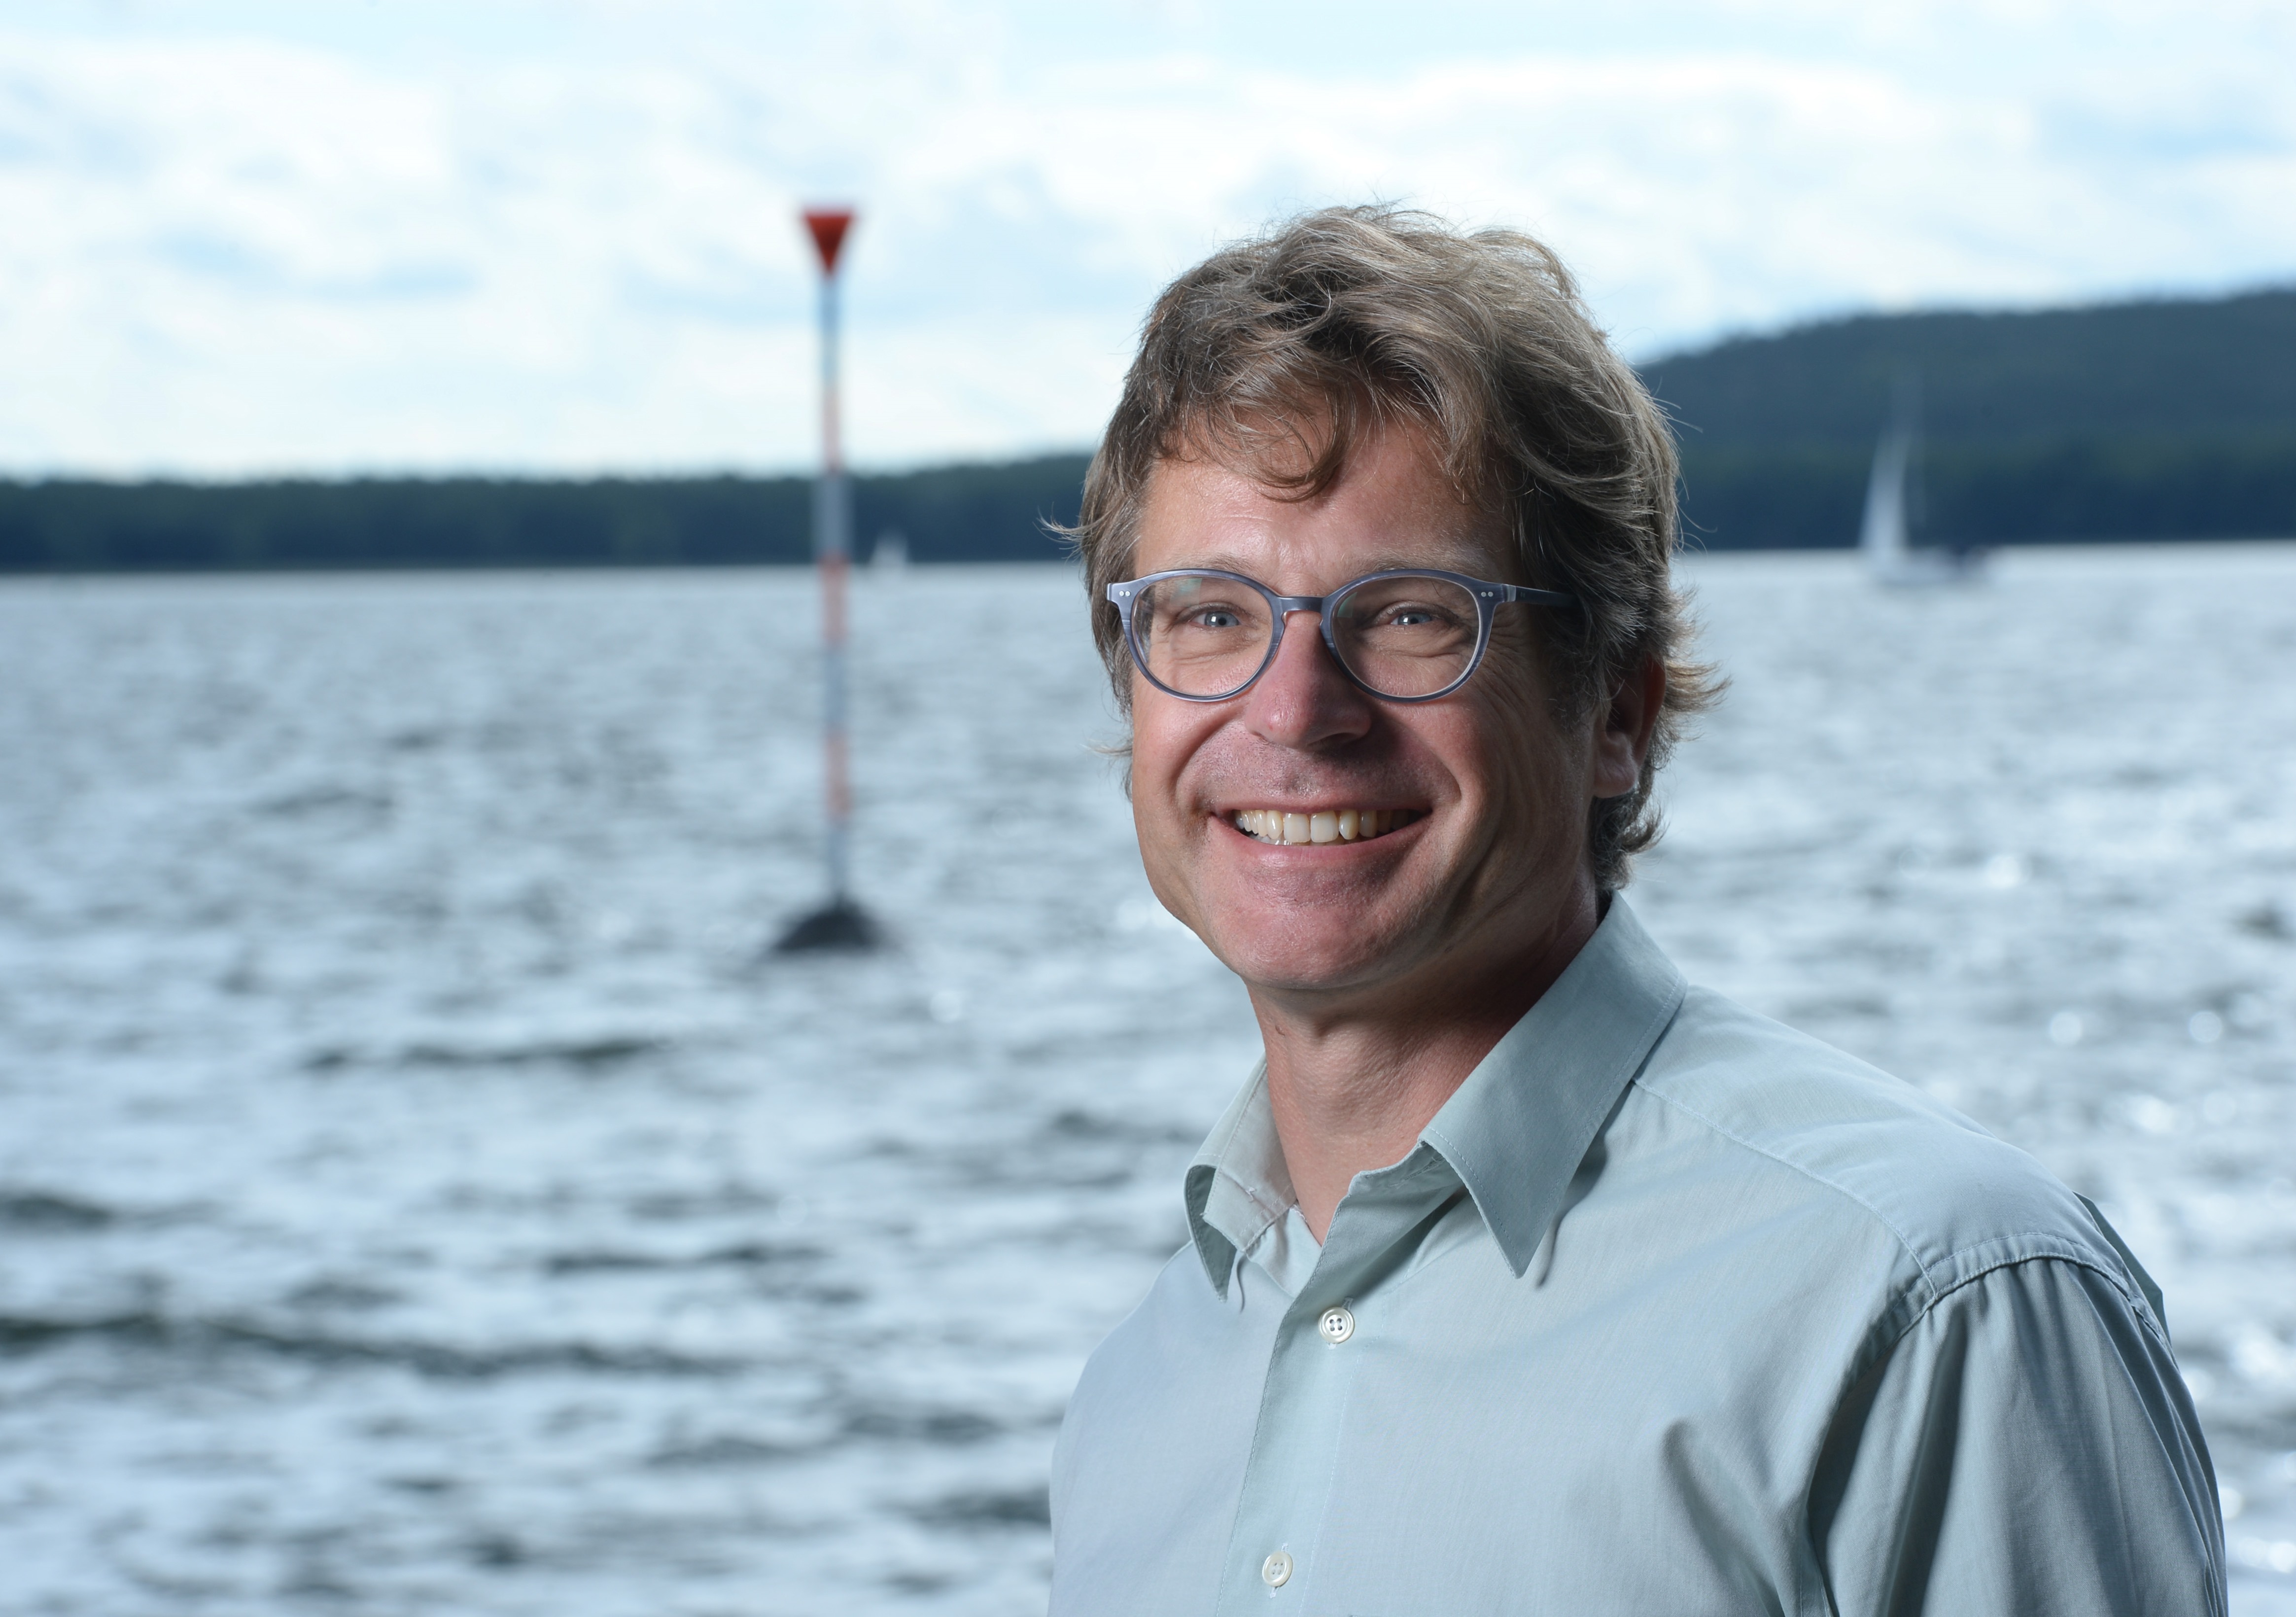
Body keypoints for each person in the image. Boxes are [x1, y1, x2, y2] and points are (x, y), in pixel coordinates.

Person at [1048, 206, 2225, 1615]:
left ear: (1615, 709)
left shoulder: (1928, 1303)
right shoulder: (1139, 1398)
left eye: (1413, 615)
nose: (1295, 711)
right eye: (1209, 616)